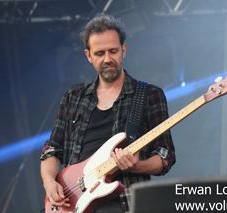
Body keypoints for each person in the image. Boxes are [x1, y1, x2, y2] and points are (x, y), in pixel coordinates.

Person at [40, 14, 176, 213]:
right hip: (73, 203)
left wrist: (137, 165)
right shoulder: (73, 96)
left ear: (124, 50)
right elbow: (52, 149)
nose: (107, 59)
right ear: (88, 55)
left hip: (125, 203)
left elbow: (165, 155)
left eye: (113, 51)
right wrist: (49, 182)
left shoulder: (149, 95)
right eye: (100, 53)